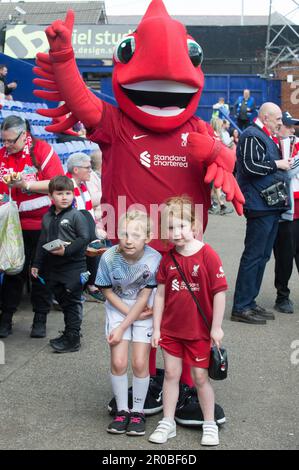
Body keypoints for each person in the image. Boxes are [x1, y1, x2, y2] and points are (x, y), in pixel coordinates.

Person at [34, 1, 244, 423]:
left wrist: (220, 154)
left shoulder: (198, 131)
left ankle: (186, 390)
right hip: (132, 251)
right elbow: (79, 100)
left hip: (186, 252)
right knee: (138, 323)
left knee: (187, 322)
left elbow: (227, 162)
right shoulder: (115, 124)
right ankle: (142, 386)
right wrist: (62, 57)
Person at [148, 196, 227, 446]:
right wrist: (156, 328)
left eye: (182, 226)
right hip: (171, 330)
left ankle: (209, 423)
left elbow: (220, 292)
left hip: (200, 331)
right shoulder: (167, 259)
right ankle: (168, 421)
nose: (177, 232)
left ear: (194, 225)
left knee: (201, 378)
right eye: (171, 227)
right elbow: (160, 295)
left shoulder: (208, 255)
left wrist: (216, 327)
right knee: (171, 374)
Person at [96, 210, 161, 436]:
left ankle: (138, 411)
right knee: (119, 361)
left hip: (144, 308)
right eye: (124, 233)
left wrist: (132, 318)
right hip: (118, 307)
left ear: (148, 237)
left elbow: (145, 295)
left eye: (136, 234)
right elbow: (106, 290)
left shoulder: (154, 259)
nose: (129, 239)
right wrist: (126, 318)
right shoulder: (108, 257)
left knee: (140, 363)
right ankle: (122, 410)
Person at [0, 115, 64, 338]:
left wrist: (25, 185)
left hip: (40, 224)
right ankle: (6, 319)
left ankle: (40, 319)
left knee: (39, 273)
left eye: (10, 141)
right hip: (11, 226)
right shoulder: (2, 155)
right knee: (12, 271)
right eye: (3, 141)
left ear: (24, 134)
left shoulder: (42, 150)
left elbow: (58, 182)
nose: (6, 145)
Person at [231, 103, 291, 324]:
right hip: (259, 205)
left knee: (262, 256)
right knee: (254, 256)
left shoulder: (263, 135)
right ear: (266, 118)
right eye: (277, 120)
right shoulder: (251, 135)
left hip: (269, 205)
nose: (280, 124)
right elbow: (249, 166)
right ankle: (241, 306)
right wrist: (279, 164)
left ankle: (249, 302)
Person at [32, 175, 90, 353]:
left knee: (72, 303)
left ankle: (73, 338)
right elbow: (43, 241)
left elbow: (84, 238)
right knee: (64, 303)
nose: (65, 197)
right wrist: (36, 264)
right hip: (54, 269)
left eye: (68, 193)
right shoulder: (47, 217)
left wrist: (67, 250)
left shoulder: (76, 215)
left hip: (74, 267)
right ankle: (68, 333)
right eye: (60, 193)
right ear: (51, 196)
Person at [66, 152, 104, 302]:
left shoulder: (83, 185)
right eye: (87, 168)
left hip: (84, 228)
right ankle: (88, 286)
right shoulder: (67, 185)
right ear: (76, 170)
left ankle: (91, 284)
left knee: (96, 243)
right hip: (70, 230)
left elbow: (88, 212)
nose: (90, 170)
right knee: (93, 244)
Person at [273, 111, 299, 314]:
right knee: (284, 257)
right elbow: (286, 172)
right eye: (288, 126)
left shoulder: (296, 144)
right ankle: (282, 296)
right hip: (285, 211)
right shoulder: (272, 146)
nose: (292, 129)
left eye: (293, 126)